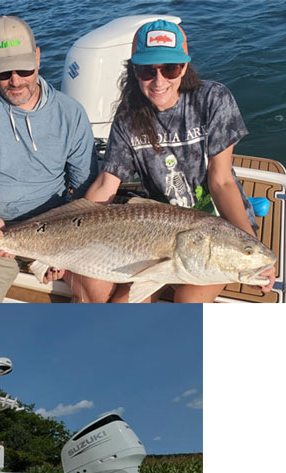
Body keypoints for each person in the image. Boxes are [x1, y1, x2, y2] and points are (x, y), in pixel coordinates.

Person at [82, 19, 276, 302]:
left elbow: (221, 181)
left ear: (184, 67)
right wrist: (64, 231)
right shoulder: (127, 116)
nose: (159, 80)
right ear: (134, 71)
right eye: (148, 70)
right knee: (119, 307)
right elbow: (105, 184)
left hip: (216, 230)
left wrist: (249, 250)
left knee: (187, 301)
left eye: (170, 68)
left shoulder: (214, 99)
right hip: (156, 232)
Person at [0, 15, 97, 303]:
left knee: (99, 296)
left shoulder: (71, 113)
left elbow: (84, 190)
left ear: (38, 57)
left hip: (60, 233)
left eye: (24, 69)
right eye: (2, 73)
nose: (15, 81)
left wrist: (63, 248)